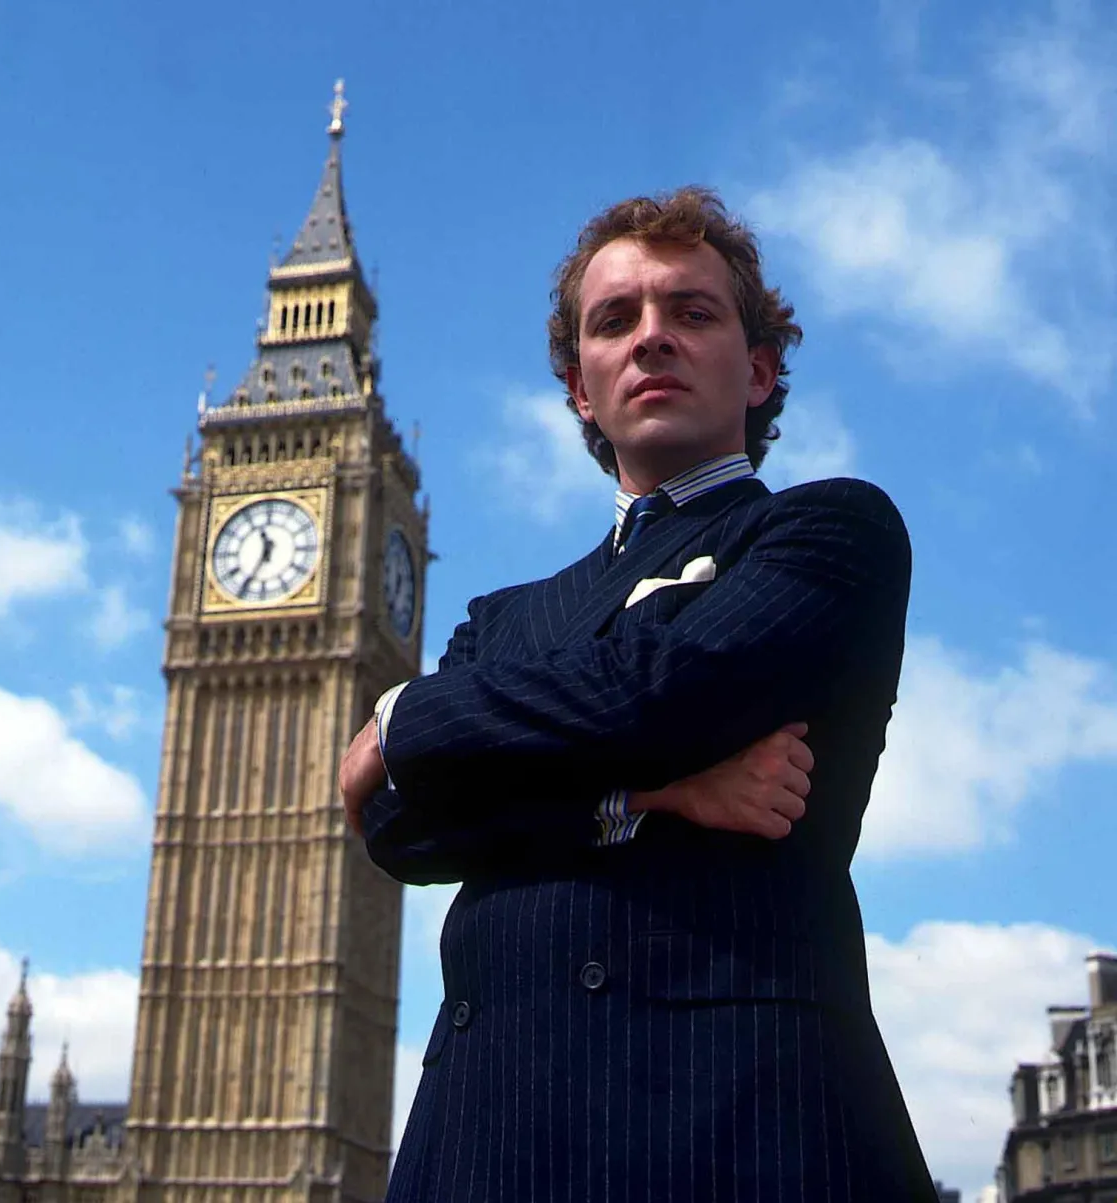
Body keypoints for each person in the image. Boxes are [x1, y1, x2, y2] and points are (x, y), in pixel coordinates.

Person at [339, 187, 938, 1202]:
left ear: (758, 371)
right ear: (581, 388)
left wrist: (407, 716)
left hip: (727, 1123)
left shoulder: (828, 530)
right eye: (615, 319)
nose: (651, 336)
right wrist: (651, 794)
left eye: (691, 312)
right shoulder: (502, 617)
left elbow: (666, 688)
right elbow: (402, 824)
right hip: (480, 1137)